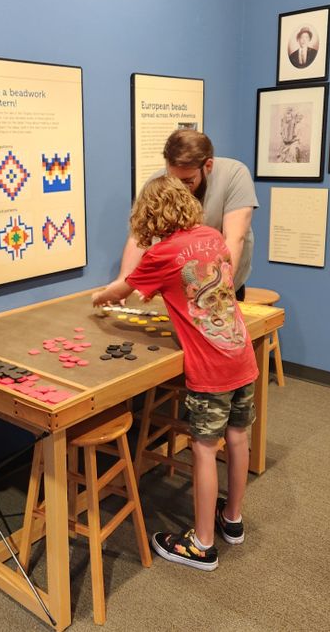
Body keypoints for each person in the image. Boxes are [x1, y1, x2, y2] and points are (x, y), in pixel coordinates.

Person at [91, 176, 259, 571]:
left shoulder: (161, 254)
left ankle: (201, 544)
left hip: (210, 367)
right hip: (240, 353)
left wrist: (98, 297)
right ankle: (231, 520)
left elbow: (122, 292)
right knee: (237, 438)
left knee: (203, 449)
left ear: (148, 215)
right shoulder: (213, 236)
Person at [109, 129, 258, 301]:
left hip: (220, 287)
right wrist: (123, 281)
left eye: (188, 181)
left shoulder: (234, 174)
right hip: (176, 289)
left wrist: (219, 288)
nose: (180, 189)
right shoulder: (157, 182)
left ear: (208, 166)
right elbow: (139, 237)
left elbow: (234, 239)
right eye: (174, 180)